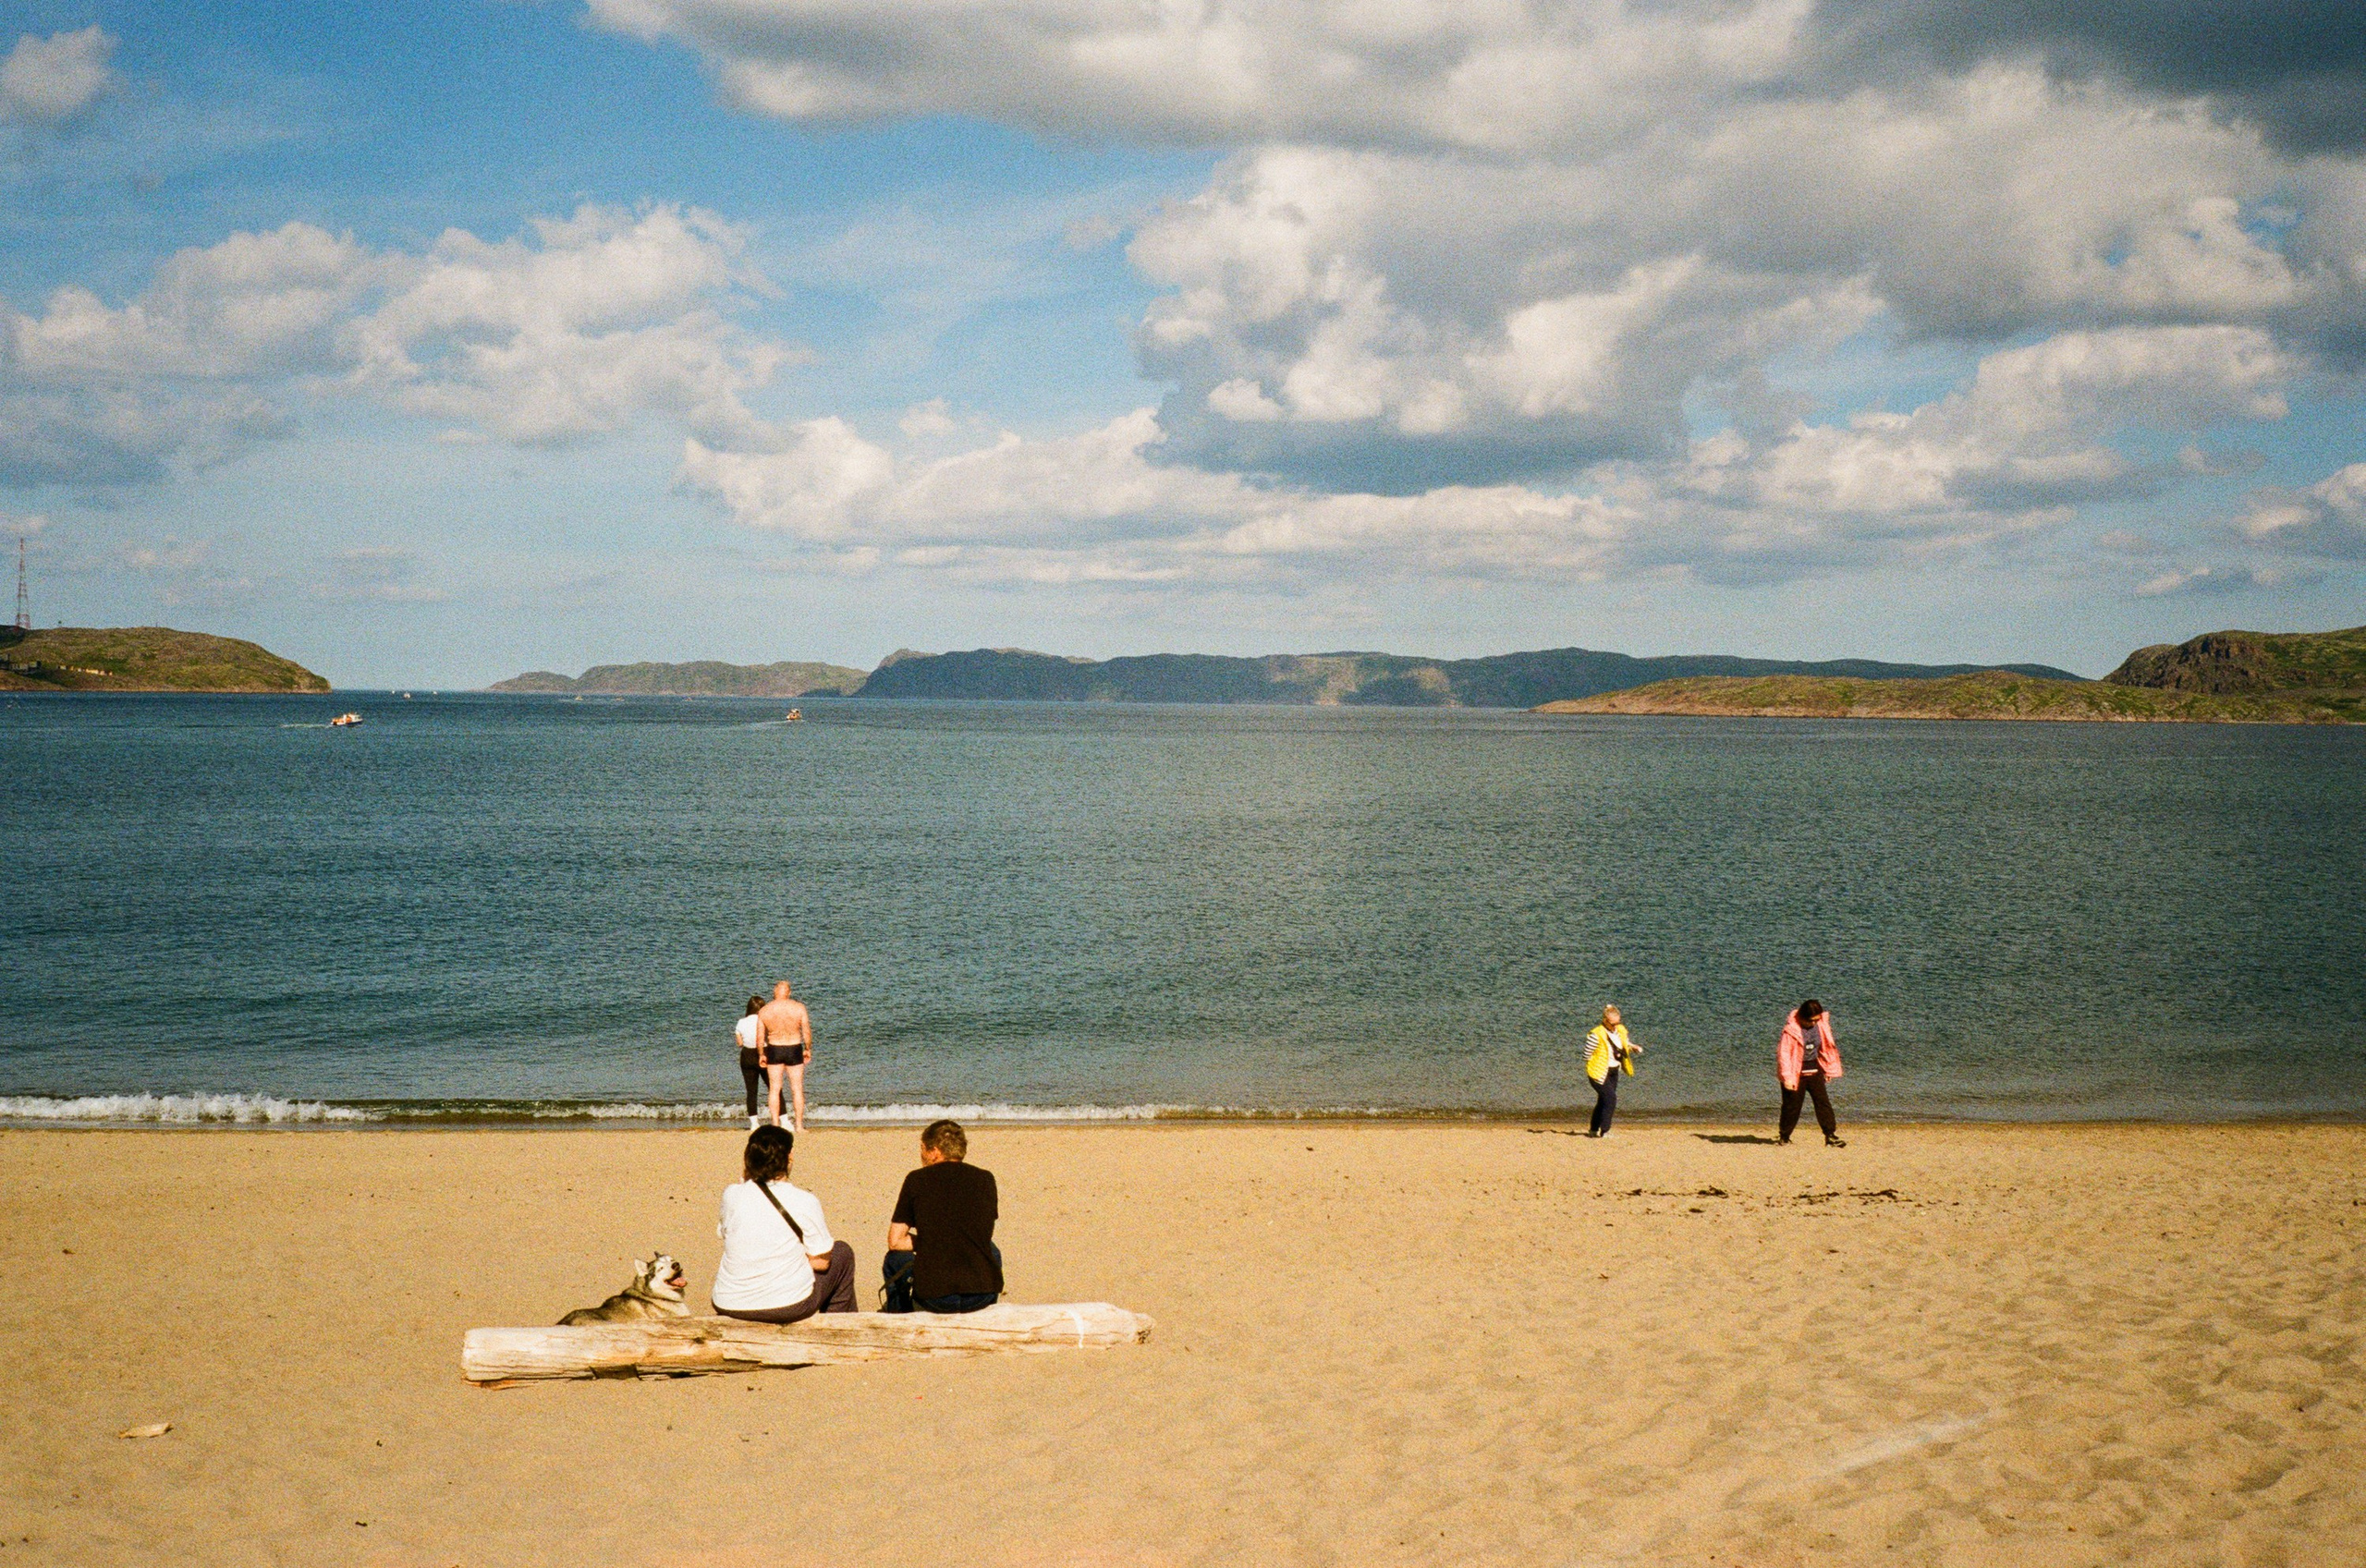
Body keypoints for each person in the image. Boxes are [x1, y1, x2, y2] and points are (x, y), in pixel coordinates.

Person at [712, 1125, 855, 1322]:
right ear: (790, 1157)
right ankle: (839, 1330)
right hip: (787, 1304)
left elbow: (727, 1235)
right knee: (843, 1253)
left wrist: (746, 1177)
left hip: (729, 1301)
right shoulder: (804, 1200)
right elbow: (822, 1262)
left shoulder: (731, 1194)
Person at [881, 1119, 1002, 1314]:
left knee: (893, 1259)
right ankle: (986, 1310)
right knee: (991, 1249)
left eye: (922, 1149)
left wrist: (933, 1240)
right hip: (981, 1295)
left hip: (936, 1298)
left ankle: (900, 1317)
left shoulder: (916, 1180)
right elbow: (981, 1233)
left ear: (935, 1151)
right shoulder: (986, 1178)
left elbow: (895, 1241)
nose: (921, 1155)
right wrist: (942, 1239)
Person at [1777, 998, 1847, 1148]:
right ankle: (1784, 1136)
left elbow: (1827, 1048)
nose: (1813, 1023)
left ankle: (1830, 1136)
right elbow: (1784, 1055)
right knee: (1791, 1107)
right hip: (1796, 1074)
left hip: (1815, 1071)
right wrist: (1787, 1078)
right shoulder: (1790, 1031)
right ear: (1803, 1017)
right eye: (1811, 1021)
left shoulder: (1821, 1026)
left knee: (1823, 1104)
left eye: (1817, 1020)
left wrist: (1828, 1069)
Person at [757, 979, 813, 1133]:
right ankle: (799, 1126)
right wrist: (807, 1048)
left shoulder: (765, 1010)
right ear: (789, 993)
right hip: (794, 1047)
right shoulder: (799, 1007)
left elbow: (760, 1036)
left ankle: (775, 1125)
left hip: (774, 1048)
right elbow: (806, 1031)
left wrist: (761, 1054)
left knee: (774, 1089)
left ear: (775, 992)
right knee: (797, 1088)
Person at [1584, 1004, 1640, 1136]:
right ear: (1605, 1020)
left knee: (1603, 1100)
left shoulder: (1620, 1030)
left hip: (1614, 1070)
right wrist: (1599, 1061)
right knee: (1611, 1099)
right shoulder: (1596, 1034)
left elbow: (1624, 1043)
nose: (1615, 1026)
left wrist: (1633, 1048)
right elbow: (1586, 1055)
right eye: (1612, 1024)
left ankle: (1593, 1130)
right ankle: (1605, 1130)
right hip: (1598, 1072)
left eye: (1617, 1023)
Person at [733, 994, 766, 1131]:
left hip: (747, 1055)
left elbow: (740, 1043)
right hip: (763, 1053)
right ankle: (783, 1119)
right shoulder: (764, 1021)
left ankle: (754, 1123)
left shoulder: (741, 1022)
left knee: (751, 1091)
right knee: (774, 1087)